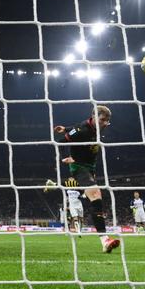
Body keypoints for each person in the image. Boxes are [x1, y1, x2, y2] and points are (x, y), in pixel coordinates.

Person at [52, 105, 119, 253]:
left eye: (107, 121)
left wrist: (66, 128)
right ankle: (105, 239)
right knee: (96, 195)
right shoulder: (83, 129)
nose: (105, 123)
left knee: (97, 202)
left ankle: (104, 241)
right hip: (79, 167)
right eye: (102, 120)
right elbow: (61, 142)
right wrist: (65, 157)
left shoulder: (93, 127)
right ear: (94, 116)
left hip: (91, 168)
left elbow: (76, 128)